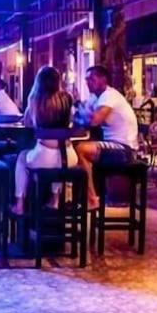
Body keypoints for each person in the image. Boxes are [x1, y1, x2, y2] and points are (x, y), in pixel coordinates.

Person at [12, 66, 78, 215]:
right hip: (69, 156)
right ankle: (55, 200)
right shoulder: (67, 98)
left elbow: (27, 123)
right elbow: (71, 121)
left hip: (44, 155)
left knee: (22, 157)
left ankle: (20, 205)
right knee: (58, 164)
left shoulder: (35, 99)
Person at [74, 65, 139, 209]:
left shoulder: (109, 96)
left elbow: (93, 121)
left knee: (80, 149)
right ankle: (82, 197)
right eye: (86, 79)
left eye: (92, 79)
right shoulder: (95, 98)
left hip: (124, 149)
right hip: (113, 144)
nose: (88, 82)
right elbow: (81, 115)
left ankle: (91, 198)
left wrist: (82, 114)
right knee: (77, 149)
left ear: (103, 80)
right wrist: (81, 113)